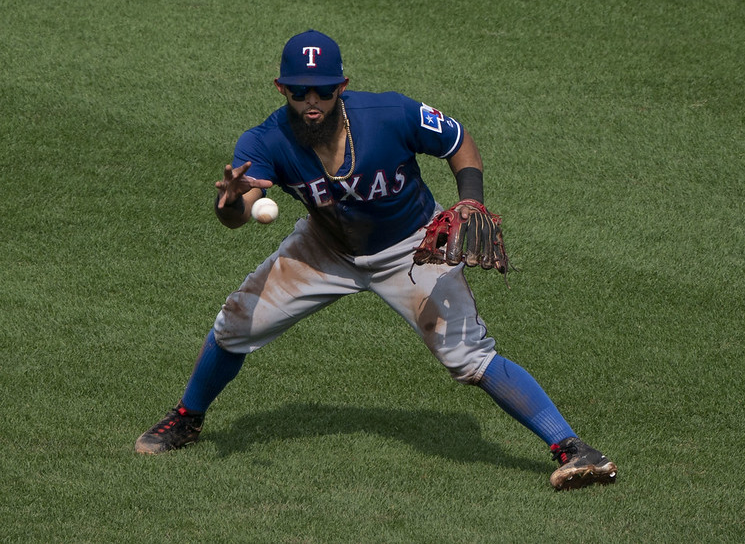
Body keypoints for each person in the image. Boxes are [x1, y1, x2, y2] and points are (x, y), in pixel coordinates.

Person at [135, 29, 617, 490]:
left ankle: (574, 448)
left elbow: (456, 140)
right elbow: (242, 211)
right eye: (300, 92)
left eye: (322, 92)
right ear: (282, 88)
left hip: (412, 246)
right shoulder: (264, 141)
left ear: (341, 87)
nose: (311, 103)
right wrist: (230, 203)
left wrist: (470, 200)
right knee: (236, 325)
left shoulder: (390, 113)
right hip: (325, 247)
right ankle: (187, 419)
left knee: (468, 356)